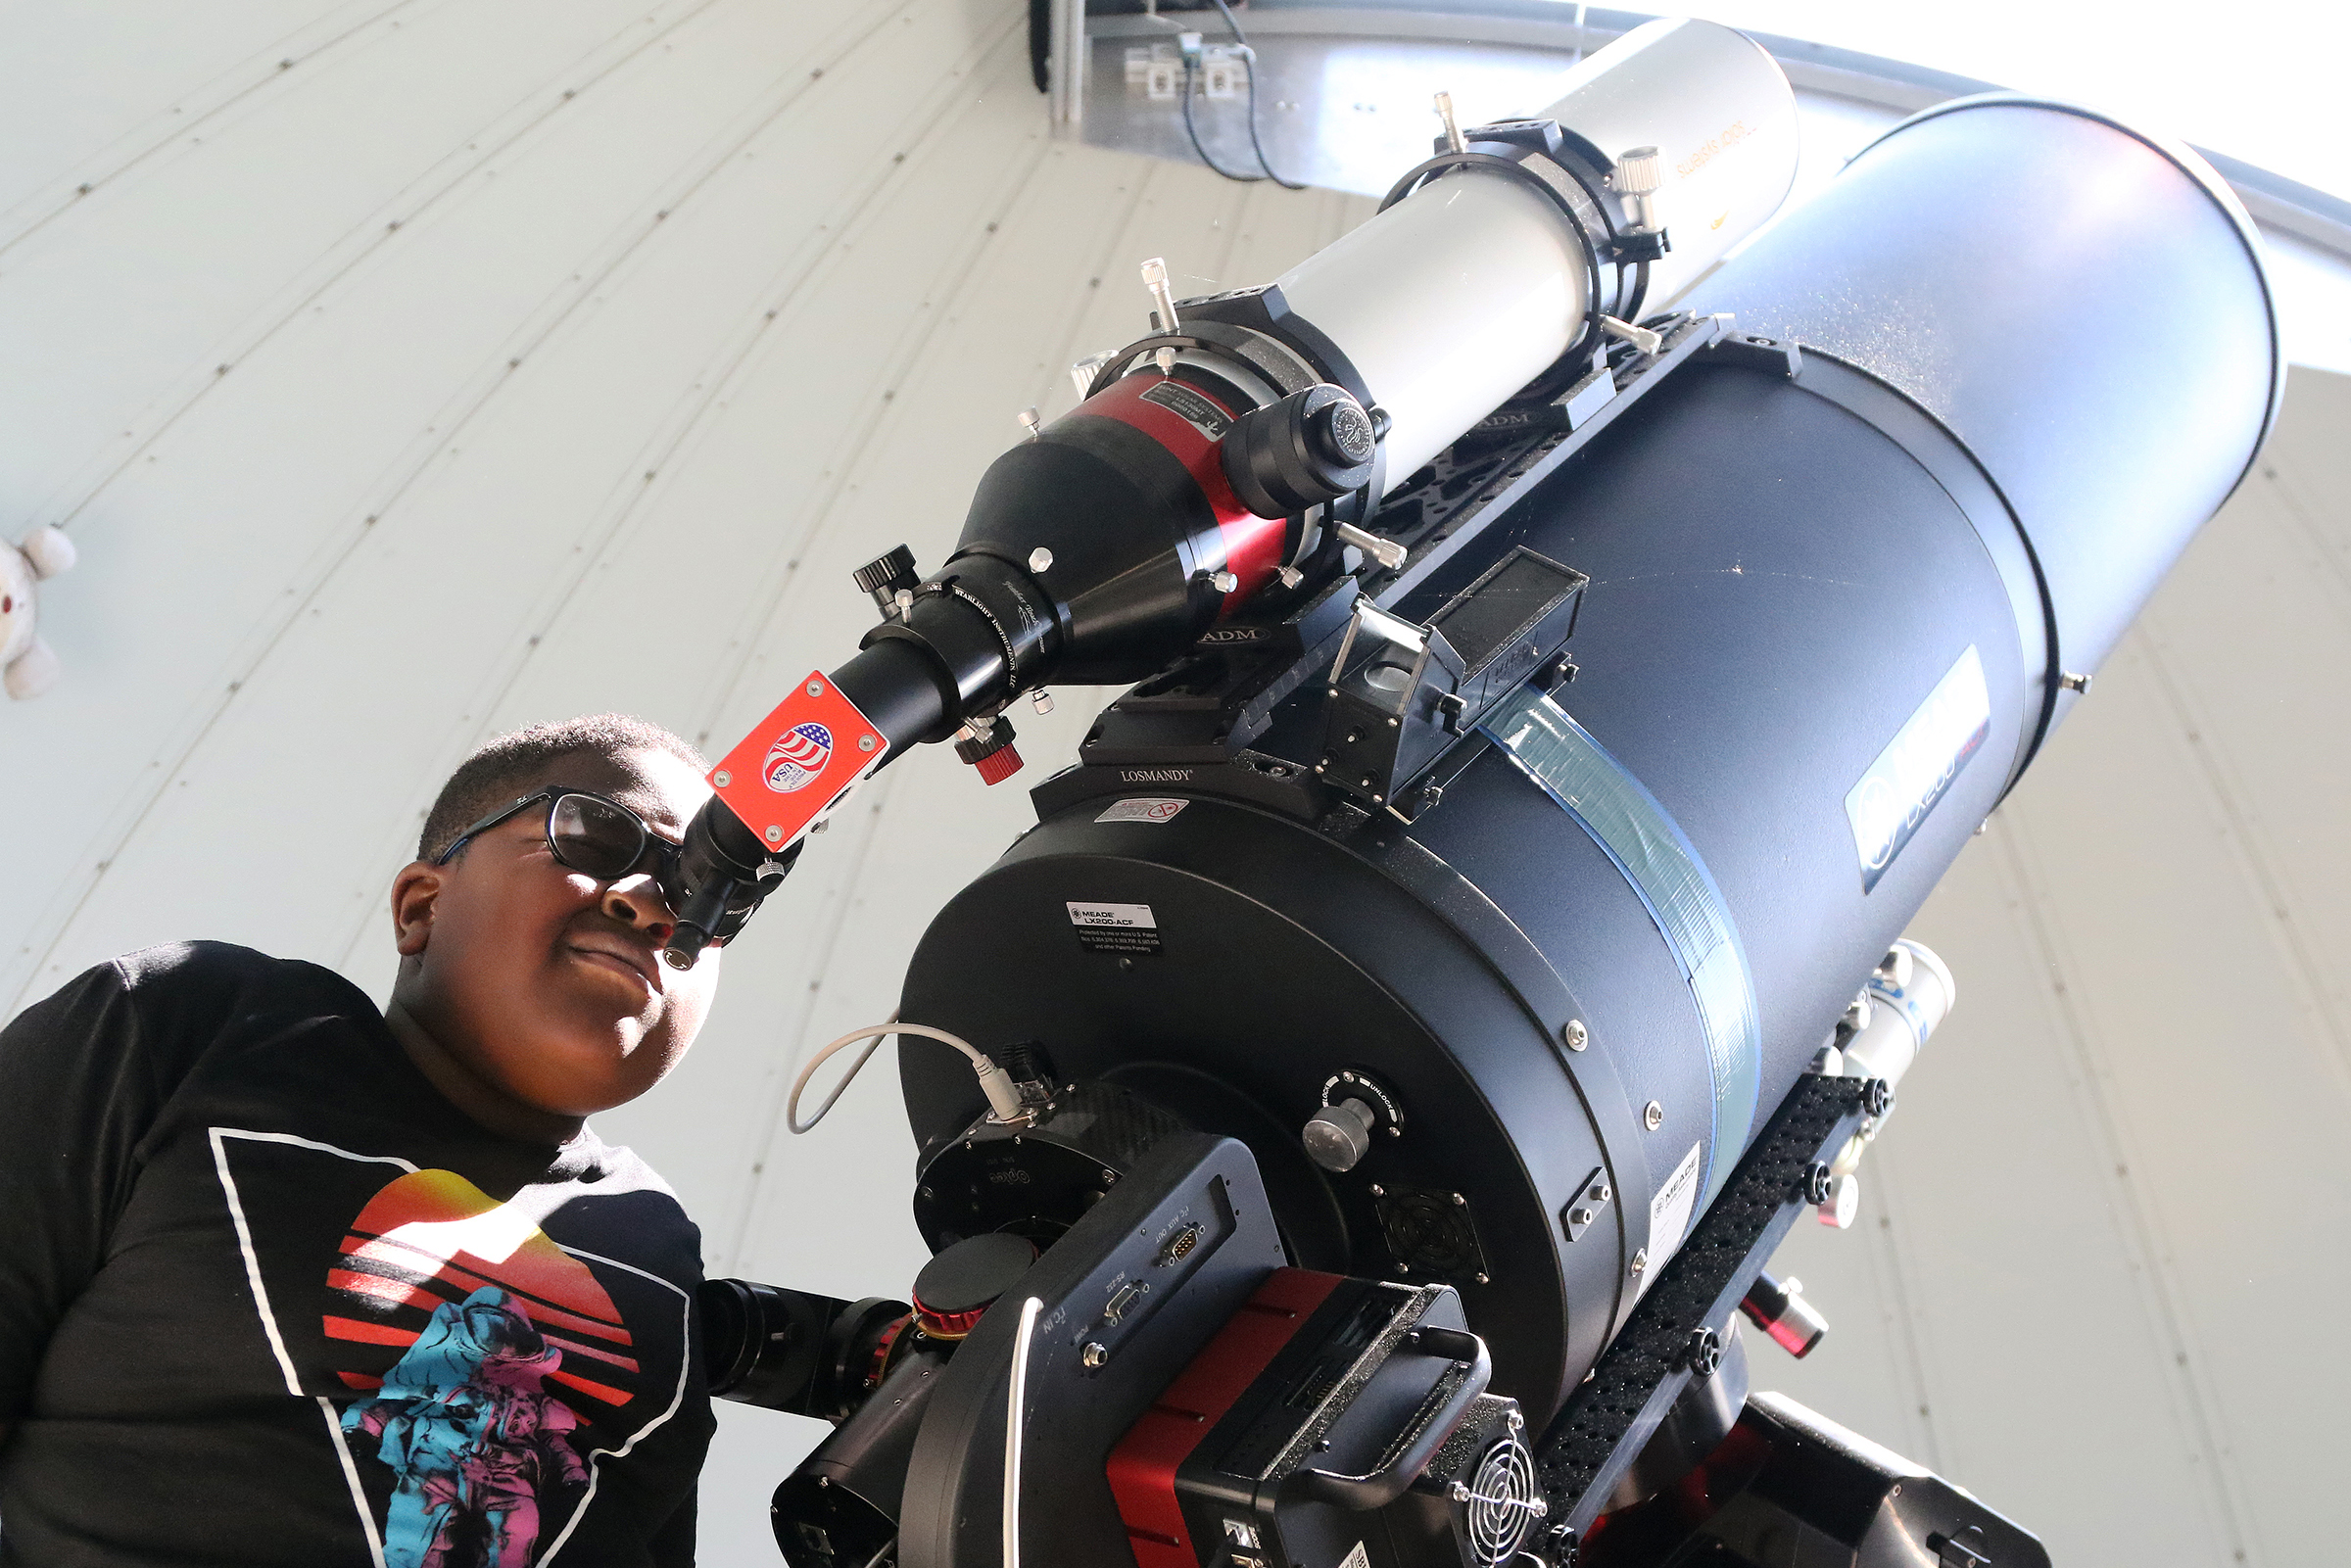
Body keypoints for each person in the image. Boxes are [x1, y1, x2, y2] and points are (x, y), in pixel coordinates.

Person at [0, 714, 728, 1566]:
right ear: (423, 904)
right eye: (597, 836)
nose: (649, 906)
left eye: (707, 894)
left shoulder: (658, 1247)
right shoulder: (196, 1022)